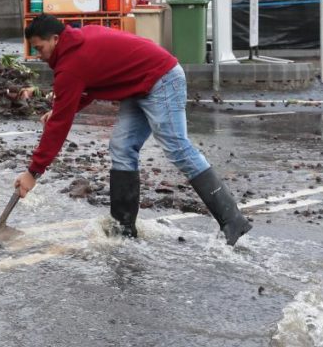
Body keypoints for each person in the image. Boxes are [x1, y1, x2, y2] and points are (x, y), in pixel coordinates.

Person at [14, 14, 252, 246]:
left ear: (55, 39)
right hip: (138, 86)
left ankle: (233, 221)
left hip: (162, 78)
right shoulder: (76, 44)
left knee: (177, 147)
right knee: (122, 146)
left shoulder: (71, 64)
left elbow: (59, 127)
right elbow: (89, 89)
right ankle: (124, 227)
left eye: (40, 48)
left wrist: (33, 173)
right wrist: (59, 111)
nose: (39, 55)